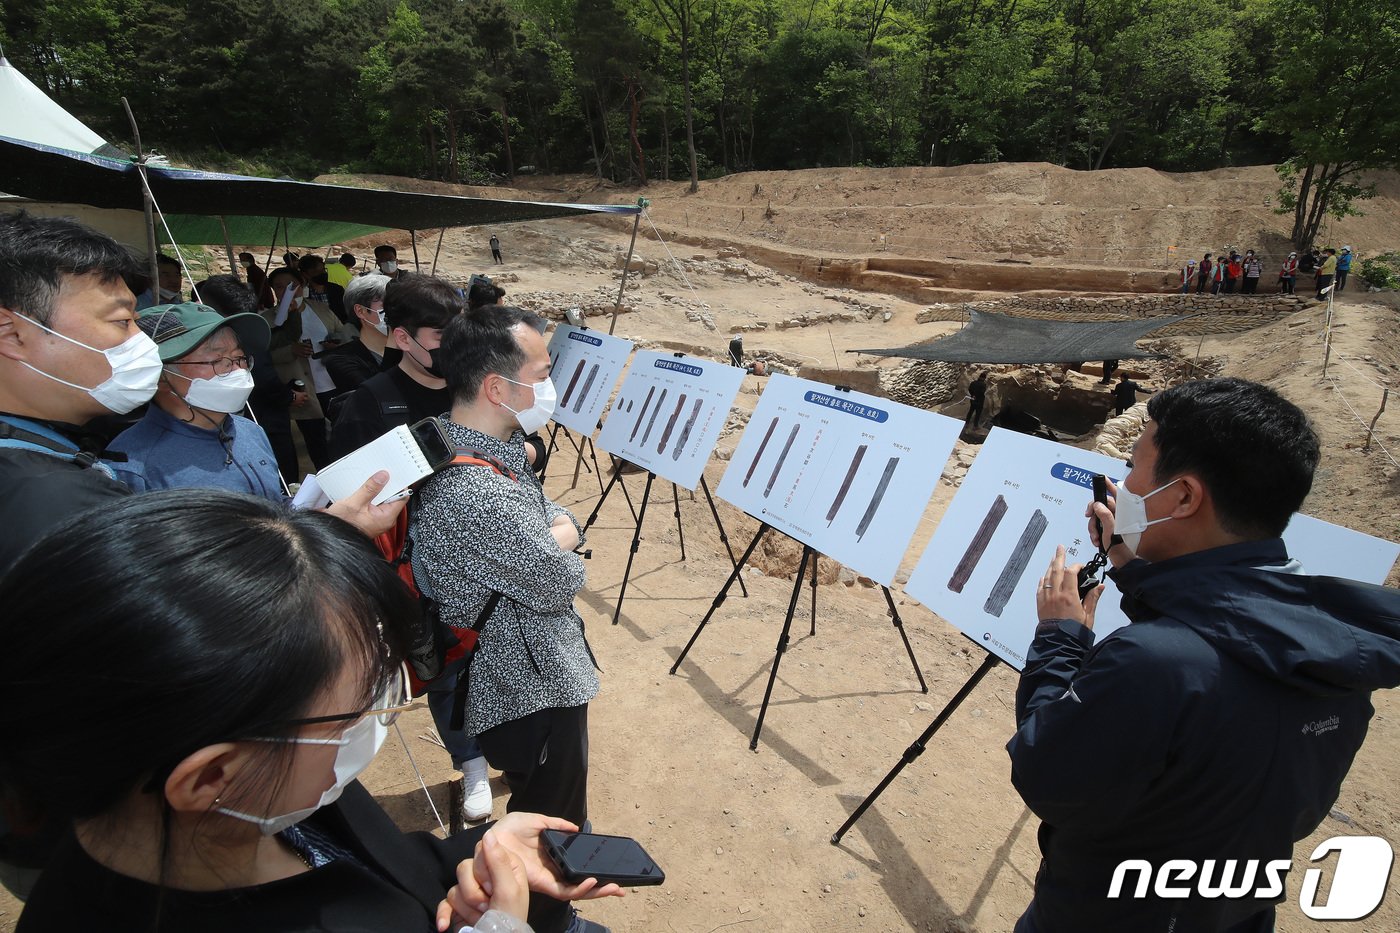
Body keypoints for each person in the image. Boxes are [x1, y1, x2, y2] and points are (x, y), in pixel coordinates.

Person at [0, 212, 404, 898]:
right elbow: (199, 654)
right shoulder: (57, 504)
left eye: (237, 359)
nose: (137, 345)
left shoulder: (80, 458)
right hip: (126, 830)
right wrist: (323, 550)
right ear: (14, 333)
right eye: (121, 322)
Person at [1, 489, 624, 933]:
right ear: (208, 776)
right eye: (353, 711)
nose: (386, 713)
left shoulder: (265, 796)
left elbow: (375, 861)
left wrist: (477, 854)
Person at [1007, 377, 1400, 933]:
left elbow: (1045, 773)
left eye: (1136, 465)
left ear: (1185, 496)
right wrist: (1135, 568)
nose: (1123, 484)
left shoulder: (1151, 664)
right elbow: (1224, 634)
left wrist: (1059, 637)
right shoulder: (1334, 648)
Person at [412, 305, 599, 933]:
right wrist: (564, 540)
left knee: (546, 806)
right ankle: (546, 920)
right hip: (527, 687)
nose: (551, 386)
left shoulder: (468, 446)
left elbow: (545, 514)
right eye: (542, 372)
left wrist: (554, 534)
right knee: (550, 816)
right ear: (497, 387)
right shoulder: (476, 490)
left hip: (519, 672)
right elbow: (556, 577)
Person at [108, 303, 281, 499]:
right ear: (161, 375)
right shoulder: (132, 467)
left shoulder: (250, 431)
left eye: (239, 357)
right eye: (217, 361)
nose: (237, 370)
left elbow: (274, 504)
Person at [329, 274, 460, 460]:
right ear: (404, 339)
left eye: (460, 332)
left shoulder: (476, 389)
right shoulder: (369, 406)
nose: (455, 343)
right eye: (441, 336)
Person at [196, 274, 300, 484]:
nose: (237, 369)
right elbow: (265, 377)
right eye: (225, 361)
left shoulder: (250, 336)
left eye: (241, 360)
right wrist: (288, 396)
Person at [323, 273, 392, 396]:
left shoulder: (410, 348)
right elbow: (380, 392)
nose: (394, 311)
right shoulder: (340, 359)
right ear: (360, 311)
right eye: (386, 305)